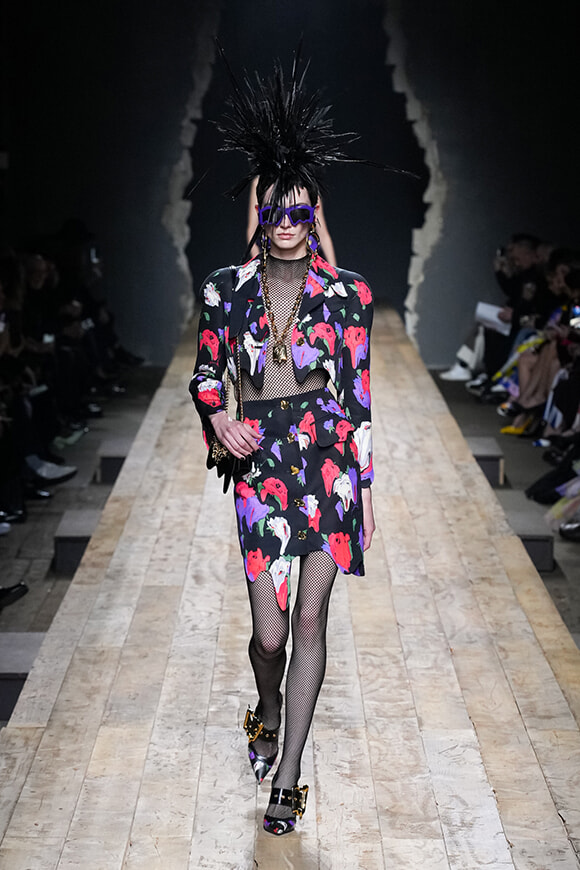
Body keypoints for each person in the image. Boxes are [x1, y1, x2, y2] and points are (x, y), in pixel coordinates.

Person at [189, 56, 376, 836]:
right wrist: (217, 421)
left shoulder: (350, 294)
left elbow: (359, 400)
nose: (288, 221)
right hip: (261, 465)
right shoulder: (225, 289)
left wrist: (366, 489)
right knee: (269, 636)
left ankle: (290, 775)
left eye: (301, 210)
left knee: (308, 625)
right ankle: (266, 707)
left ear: (313, 212)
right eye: (276, 209)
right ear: (262, 214)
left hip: (330, 468)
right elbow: (207, 374)